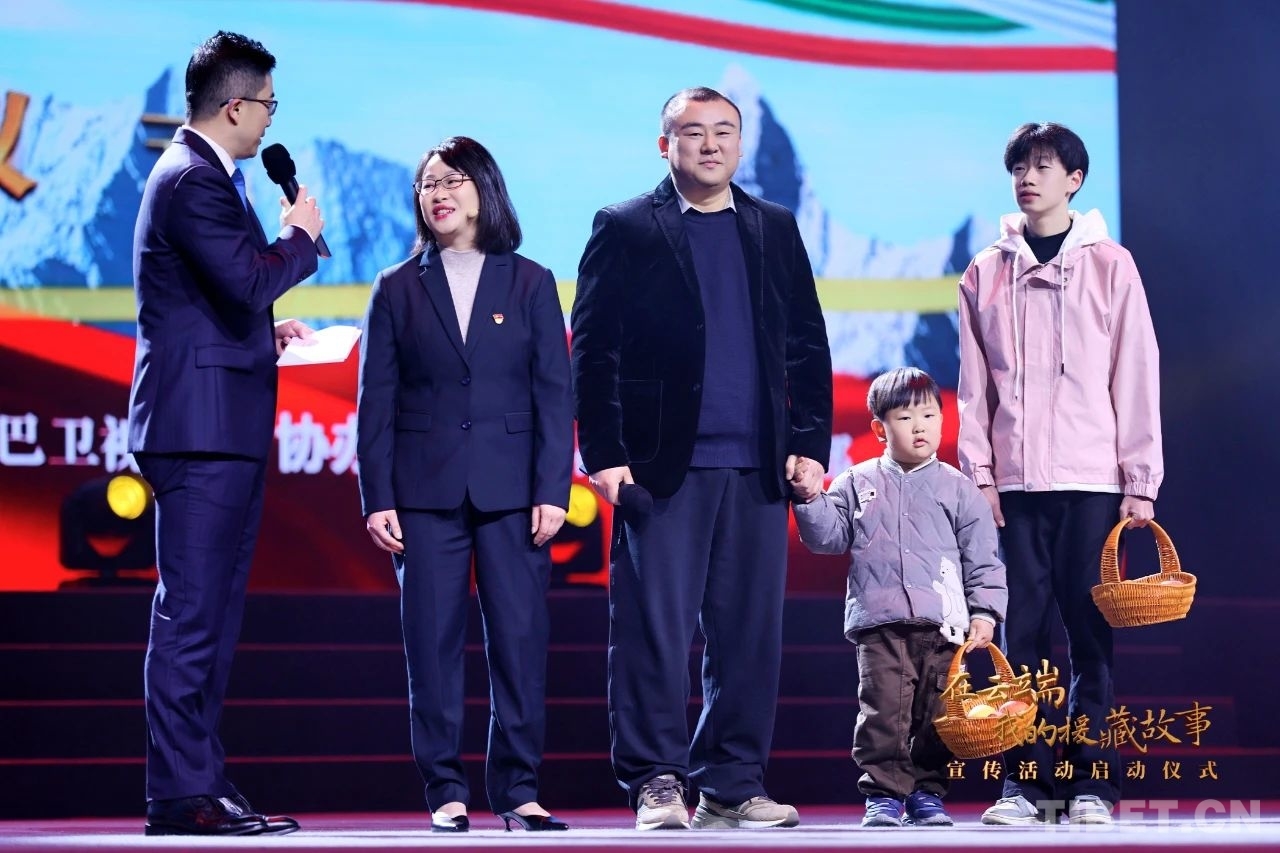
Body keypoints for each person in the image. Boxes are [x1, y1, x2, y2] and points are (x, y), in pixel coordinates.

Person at [570, 86, 832, 831]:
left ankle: (732, 782)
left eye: (723, 131)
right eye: (693, 132)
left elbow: (806, 343)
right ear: (666, 145)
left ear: (740, 145)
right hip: (660, 469)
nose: (710, 144)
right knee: (654, 632)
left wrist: (809, 444)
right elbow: (593, 348)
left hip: (758, 466)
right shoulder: (626, 226)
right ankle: (656, 779)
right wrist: (605, 453)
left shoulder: (773, 226)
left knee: (749, 635)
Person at [127, 31, 325, 837]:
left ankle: (200, 781)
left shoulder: (205, 176)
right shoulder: (191, 179)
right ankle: (181, 792)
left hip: (219, 424)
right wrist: (300, 237)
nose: (272, 117)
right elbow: (248, 280)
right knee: (192, 614)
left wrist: (261, 338)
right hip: (199, 430)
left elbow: (213, 301)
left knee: (211, 616)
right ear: (236, 105)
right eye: (269, 103)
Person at [356, 136, 573, 833]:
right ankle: (445, 791)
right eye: (428, 184)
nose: (439, 193)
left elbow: (554, 393)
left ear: (484, 190)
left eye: (452, 180)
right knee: (431, 646)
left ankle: (518, 789)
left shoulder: (531, 281)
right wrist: (377, 497)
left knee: (519, 642)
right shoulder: (396, 286)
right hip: (422, 492)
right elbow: (375, 400)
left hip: (515, 492)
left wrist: (553, 488)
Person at [957, 122, 1163, 826]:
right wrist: (979, 475)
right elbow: (973, 386)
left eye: (1043, 166)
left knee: (1090, 635)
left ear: (1074, 180)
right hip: (1014, 486)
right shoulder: (984, 271)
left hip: (1093, 482)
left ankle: (1092, 784)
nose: (1028, 178)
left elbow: (1136, 373)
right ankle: (1024, 785)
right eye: (1019, 166)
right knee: (1018, 637)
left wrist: (1140, 481)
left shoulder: (1111, 265)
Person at [791, 367, 1007, 828]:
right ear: (879, 428)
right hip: (880, 624)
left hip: (944, 626)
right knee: (883, 714)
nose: (919, 427)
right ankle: (884, 796)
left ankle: (927, 794)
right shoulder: (856, 481)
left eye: (929, 416)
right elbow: (828, 538)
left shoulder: (960, 488)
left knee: (937, 714)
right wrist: (809, 499)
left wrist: (985, 612)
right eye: (906, 418)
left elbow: (983, 559)